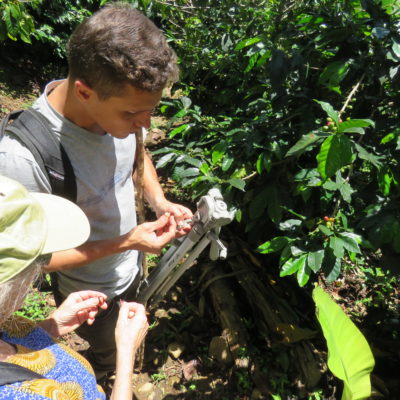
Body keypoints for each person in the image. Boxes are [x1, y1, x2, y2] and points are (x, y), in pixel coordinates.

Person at [0, 3, 193, 378]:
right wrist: (126, 242)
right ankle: (108, 374)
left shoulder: (120, 108)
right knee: (106, 350)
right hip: (89, 292)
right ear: (85, 92)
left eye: (150, 111)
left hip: (131, 264)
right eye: (132, 114)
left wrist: (158, 200)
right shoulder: (22, 158)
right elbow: (29, 261)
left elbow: (138, 150)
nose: (145, 124)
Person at [0, 175, 149, 400]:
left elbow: (13, 349)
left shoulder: (4, 317)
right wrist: (126, 354)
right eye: (39, 260)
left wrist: (50, 327)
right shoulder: (17, 394)